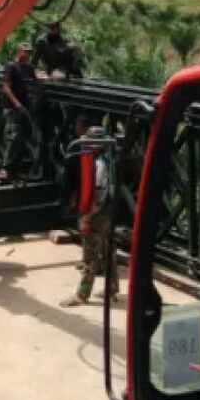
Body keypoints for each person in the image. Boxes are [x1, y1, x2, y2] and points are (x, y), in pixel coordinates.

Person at [62, 127, 119, 306]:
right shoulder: (110, 160)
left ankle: (82, 295)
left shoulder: (98, 164)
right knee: (109, 251)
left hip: (97, 215)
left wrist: (87, 217)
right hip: (109, 213)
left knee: (89, 256)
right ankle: (112, 288)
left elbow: (99, 193)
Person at [0, 44, 36, 180]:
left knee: (24, 137)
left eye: (29, 53)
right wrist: (16, 104)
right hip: (13, 107)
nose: (28, 55)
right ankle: (5, 168)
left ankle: (17, 169)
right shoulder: (11, 66)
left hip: (25, 108)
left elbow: (35, 81)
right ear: (19, 51)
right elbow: (5, 87)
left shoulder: (29, 68)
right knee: (13, 136)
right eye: (26, 52)